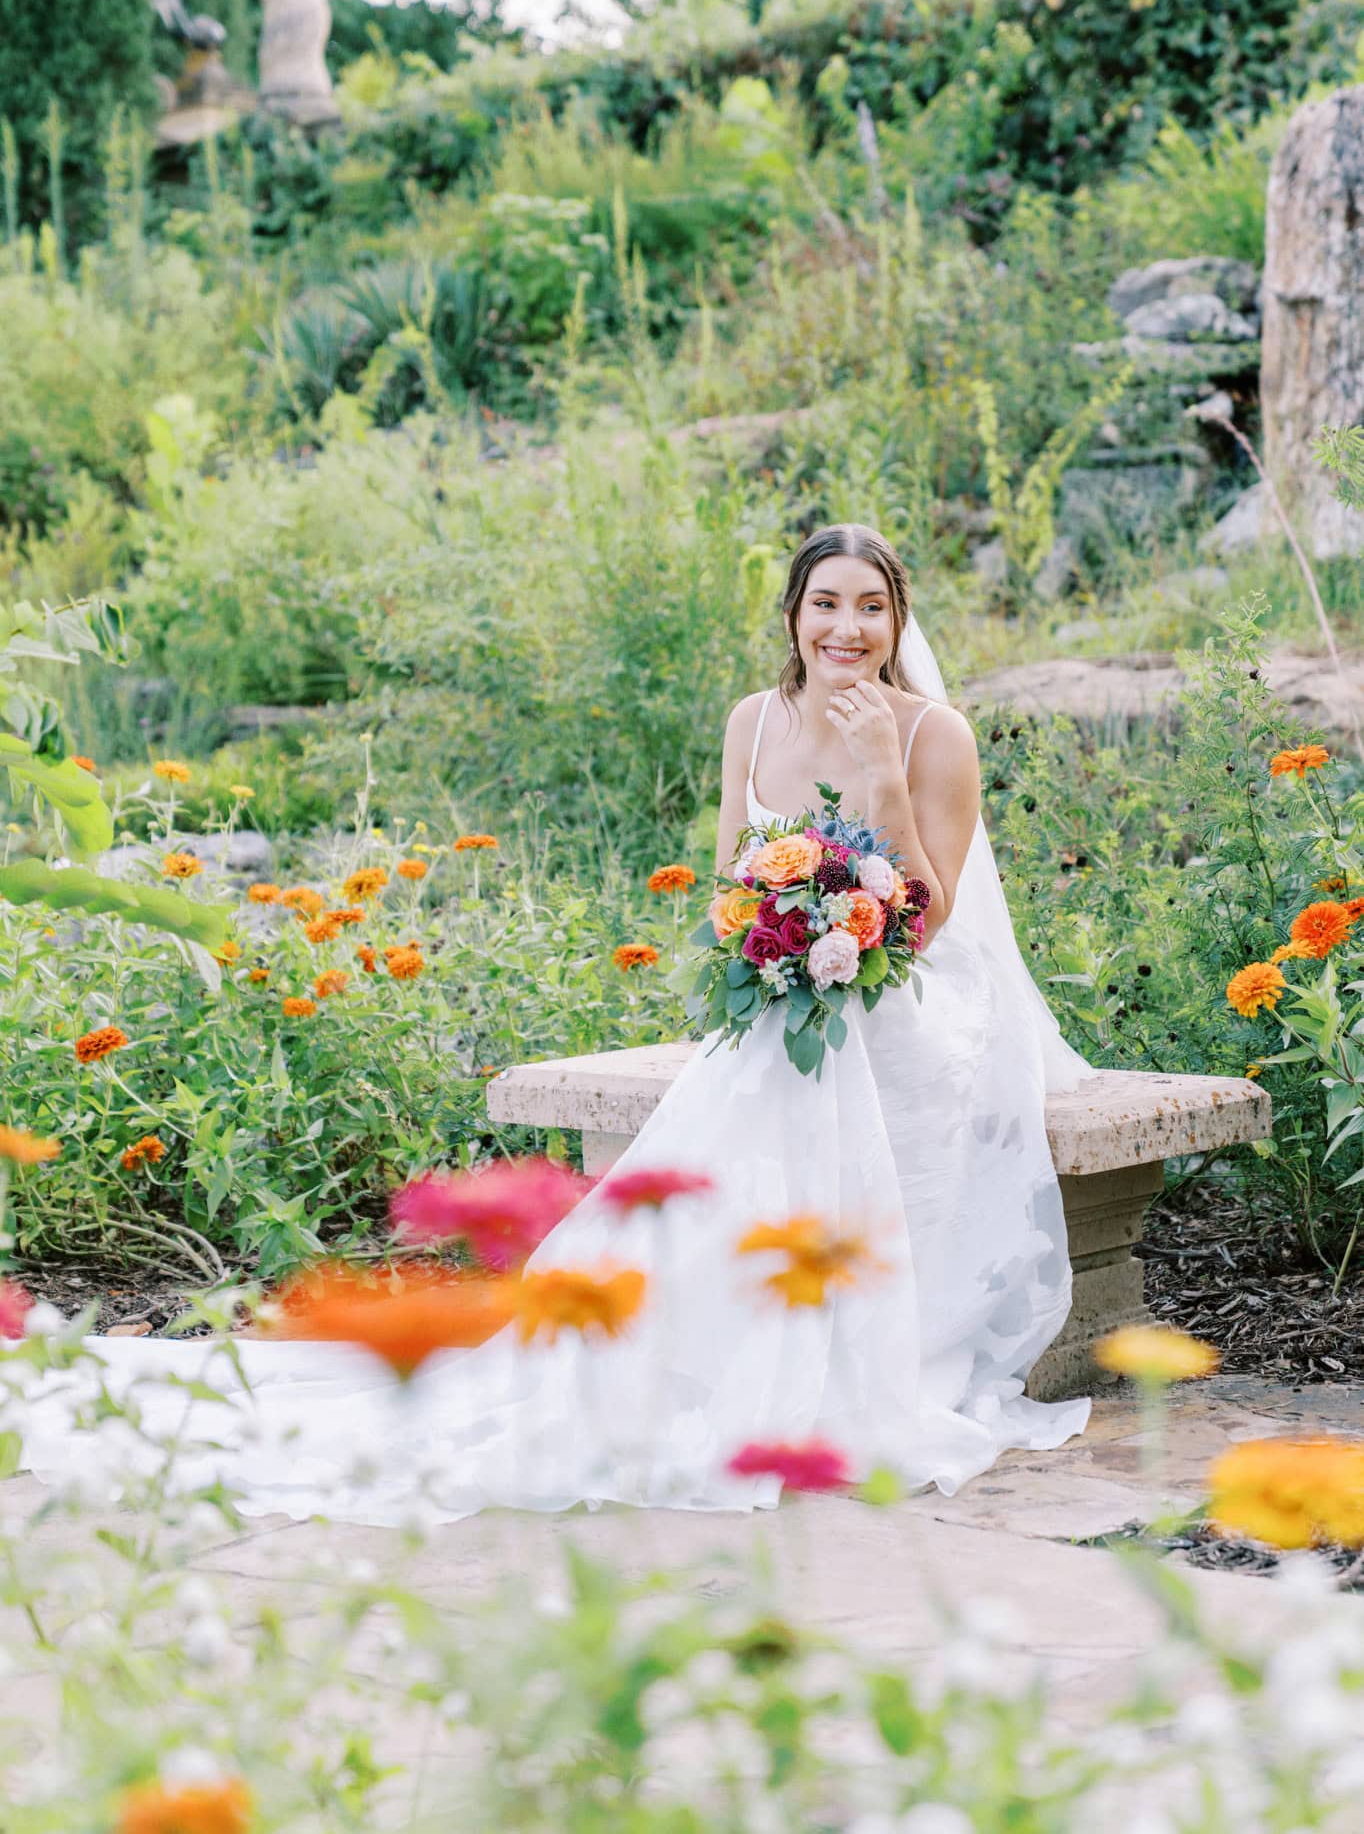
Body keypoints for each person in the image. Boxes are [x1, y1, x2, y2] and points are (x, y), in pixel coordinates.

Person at [13, 524, 1098, 1525]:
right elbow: (729, 879)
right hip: (791, 983)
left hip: (907, 994)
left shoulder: (933, 732)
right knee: (758, 1089)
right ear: (791, 616)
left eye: (870, 608)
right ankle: (692, 1345)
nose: (845, 630)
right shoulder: (753, 719)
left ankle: (831, 1358)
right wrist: (773, 930)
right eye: (824, 604)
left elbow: (930, 909)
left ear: (898, 622)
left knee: (826, 1075)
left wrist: (875, 780)